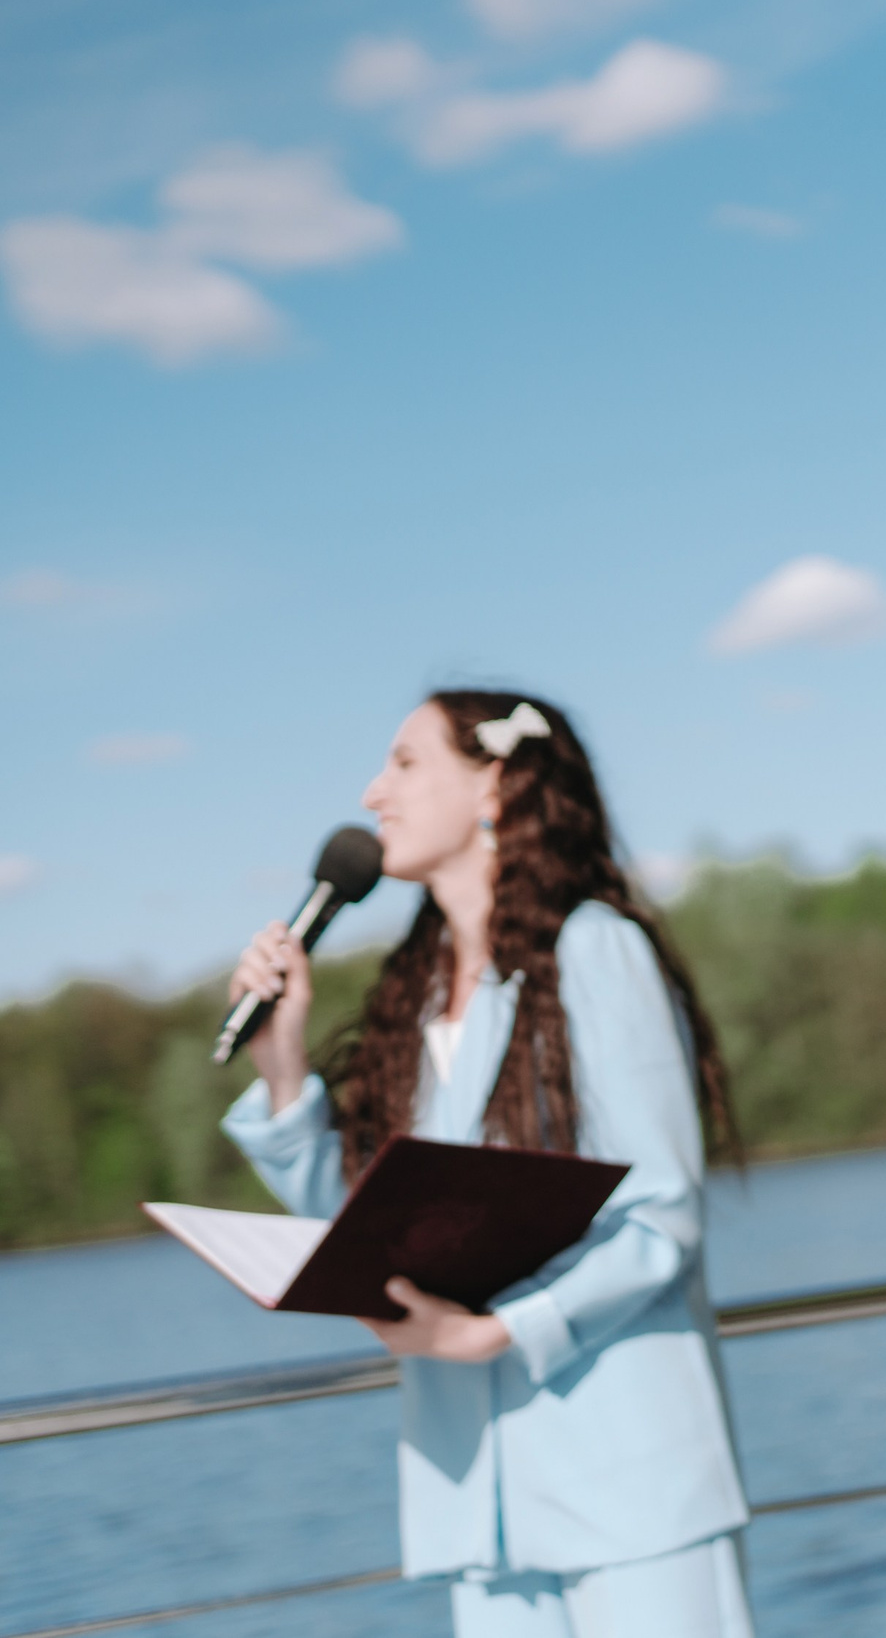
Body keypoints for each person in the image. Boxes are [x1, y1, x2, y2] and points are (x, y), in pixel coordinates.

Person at [222, 691, 755, 1638]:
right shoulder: (418, 998)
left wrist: (503, 1330)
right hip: (481, 1498)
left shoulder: (594, 950)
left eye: (405, 763)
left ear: (494, 785)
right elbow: (368, 1221)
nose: (372, 792)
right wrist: (282, 1065)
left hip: (628, 1475)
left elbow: (663, 1215)